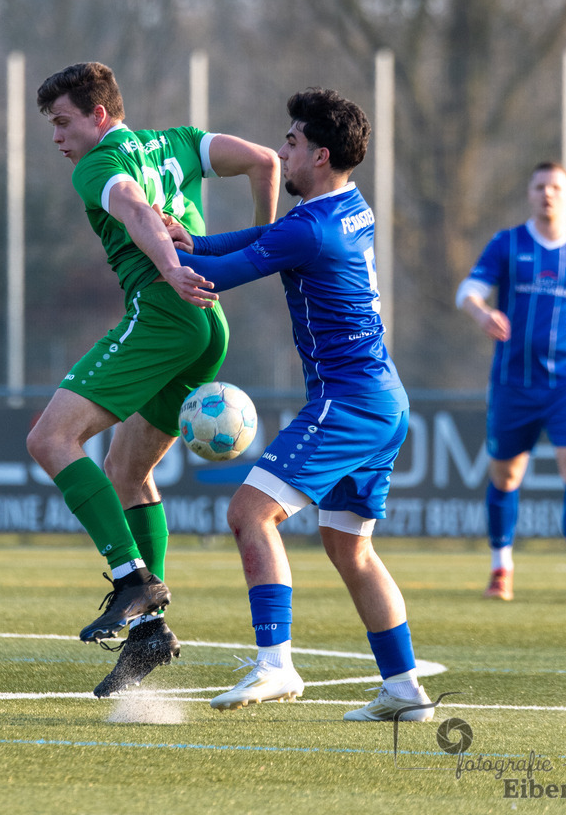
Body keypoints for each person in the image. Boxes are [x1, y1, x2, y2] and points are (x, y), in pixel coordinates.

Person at [168, 87, 434, 722]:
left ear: (317, 154)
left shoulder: (312, 229)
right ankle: (403, 689)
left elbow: (224, 277)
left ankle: (276, 664)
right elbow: (268, 234)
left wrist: (167, 253)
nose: (280, 153)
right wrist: (195, 239)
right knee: (350, 549)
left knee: (249, 515)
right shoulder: (347, 208)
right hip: (382, 398)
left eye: (289, 143)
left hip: (348, 401)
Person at [28, 62, 280, 696]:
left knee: (50, 441)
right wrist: (264, 247)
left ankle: (131, 581)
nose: (57, 138)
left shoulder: (96, 166)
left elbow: (137, 209)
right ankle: (149, 636)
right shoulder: (178, 141)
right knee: (127, 473)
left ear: (100, 116)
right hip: (208, 323)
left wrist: (168, 268)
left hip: (165, 313)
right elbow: (265, 163)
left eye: (63, 123)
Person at [456, 162, 566, 603]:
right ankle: (501, 567)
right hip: (514, 381)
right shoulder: (508, 244)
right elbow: (468, 292)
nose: (547, 193)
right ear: (529, 194)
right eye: (539, 186)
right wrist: (482, 314)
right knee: (507, 475)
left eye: (556, 187)